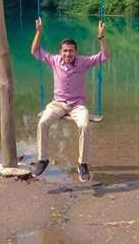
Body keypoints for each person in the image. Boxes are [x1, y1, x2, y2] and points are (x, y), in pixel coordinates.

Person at [30, 17, 110, 182]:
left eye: (71, 51)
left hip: (77, 105)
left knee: (84, 124)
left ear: (76, 52)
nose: (68, 54)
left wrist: (101, 37)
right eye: (65, 51)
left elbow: (105, 56)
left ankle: (82, 164)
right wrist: (39, 32)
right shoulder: (54, 60)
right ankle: (43, 160)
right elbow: (35, 51)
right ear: (60, 52)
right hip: (57, 103)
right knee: (42, 122)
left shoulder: (83, 62)